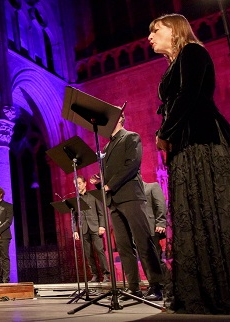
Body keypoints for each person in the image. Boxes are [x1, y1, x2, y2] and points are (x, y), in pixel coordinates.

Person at [149, 13, 230, 314]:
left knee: (218, 214)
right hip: (186, 145)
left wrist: (165, 132)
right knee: (196, 216)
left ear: (176, 31)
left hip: (204, 141)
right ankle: (204, 289)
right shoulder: (174, 63)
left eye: (156, 30)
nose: (150, 36)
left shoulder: (193, 52)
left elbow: (189, 95)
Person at [90, 114, 163, 301]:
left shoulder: (131, 137)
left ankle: (156, 285)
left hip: (131, 196)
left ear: (120, 119)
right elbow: (110, 173)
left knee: (143, 241)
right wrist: (100, 182)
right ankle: (133, 287)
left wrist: (109, 185)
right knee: (123, 246)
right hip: (114, 200)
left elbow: (132, 165)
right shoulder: (106, 146)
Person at [72, 176, 109, 283]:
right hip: (83, 229)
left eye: (79, 183)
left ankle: (106, 274)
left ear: (85, 183)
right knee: (88, 253)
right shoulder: (76, 199)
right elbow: (73, 217)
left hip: (95, 227)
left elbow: (101, 213)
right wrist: (75, 230)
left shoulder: (93, 196)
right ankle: (95, 275)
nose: (77, 186)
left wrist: (102, 226)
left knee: (99, 251)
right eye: (76, 184)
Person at [142, 181, 169, 288]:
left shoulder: (152, 186)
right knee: (146, 258)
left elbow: (161, 204)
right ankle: (154, 283)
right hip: (141, 229)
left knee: (156, 257)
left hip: (153, 227)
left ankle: (165, 283)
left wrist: (161, 222)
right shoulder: (133, 193)